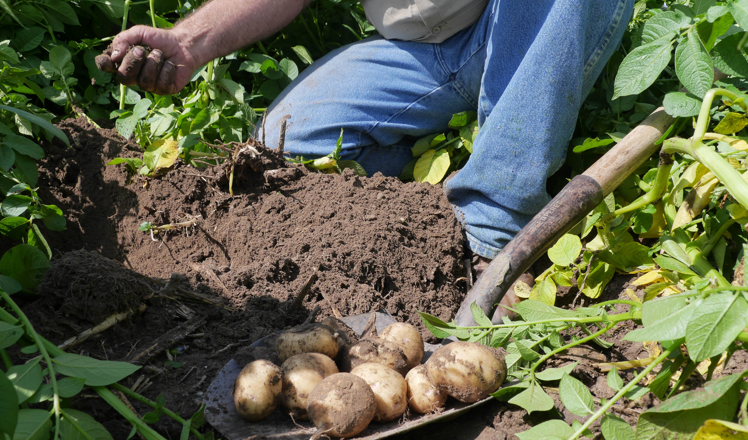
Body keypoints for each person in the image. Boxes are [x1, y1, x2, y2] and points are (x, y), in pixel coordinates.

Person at [96, 0, 634, 259]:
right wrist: (191, 42)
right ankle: (441, 195)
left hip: (531, 19)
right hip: (425, 51)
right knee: (286, 150)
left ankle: (490, 235)